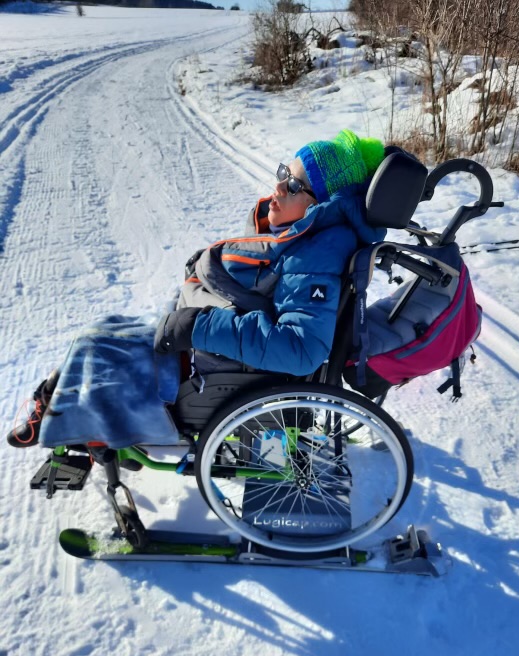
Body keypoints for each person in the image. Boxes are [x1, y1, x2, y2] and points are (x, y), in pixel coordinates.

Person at [7, 129, 386, 449]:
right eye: (283, 171)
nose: (278, 188)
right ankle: (52, 397)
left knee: (97, 347)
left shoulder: (318, 254)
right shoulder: (312, 238)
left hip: (218, 366)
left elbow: (301, 349)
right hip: (215, 345)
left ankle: (72, 422)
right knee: (107, 329)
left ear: (321, 205)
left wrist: (199, 325)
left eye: (293, 184)